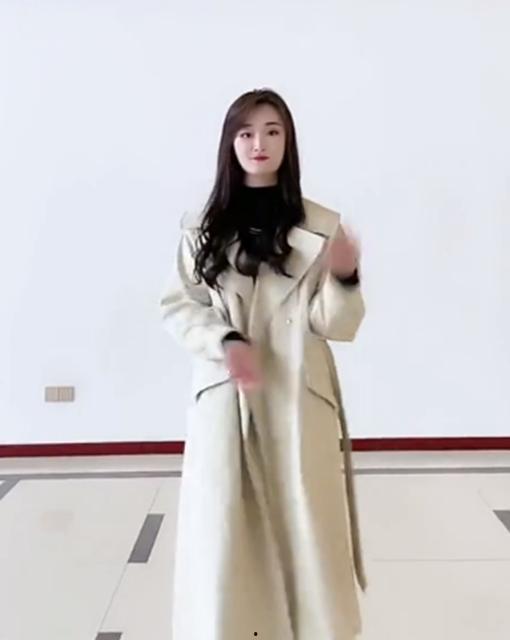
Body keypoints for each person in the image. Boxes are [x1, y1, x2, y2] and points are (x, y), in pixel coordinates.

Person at [159, 88, 367, 640]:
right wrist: (225, 339)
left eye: (273, 131)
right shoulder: (200, 226)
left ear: (288, 142)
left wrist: (345, 278)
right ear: (230, 143)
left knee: (306, 524)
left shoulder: (320, 225)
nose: (259, 143)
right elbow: (179, 306)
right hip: (226, 394)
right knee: (226, 529)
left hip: (298, 395)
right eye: (247, 132)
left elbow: (335, 324)